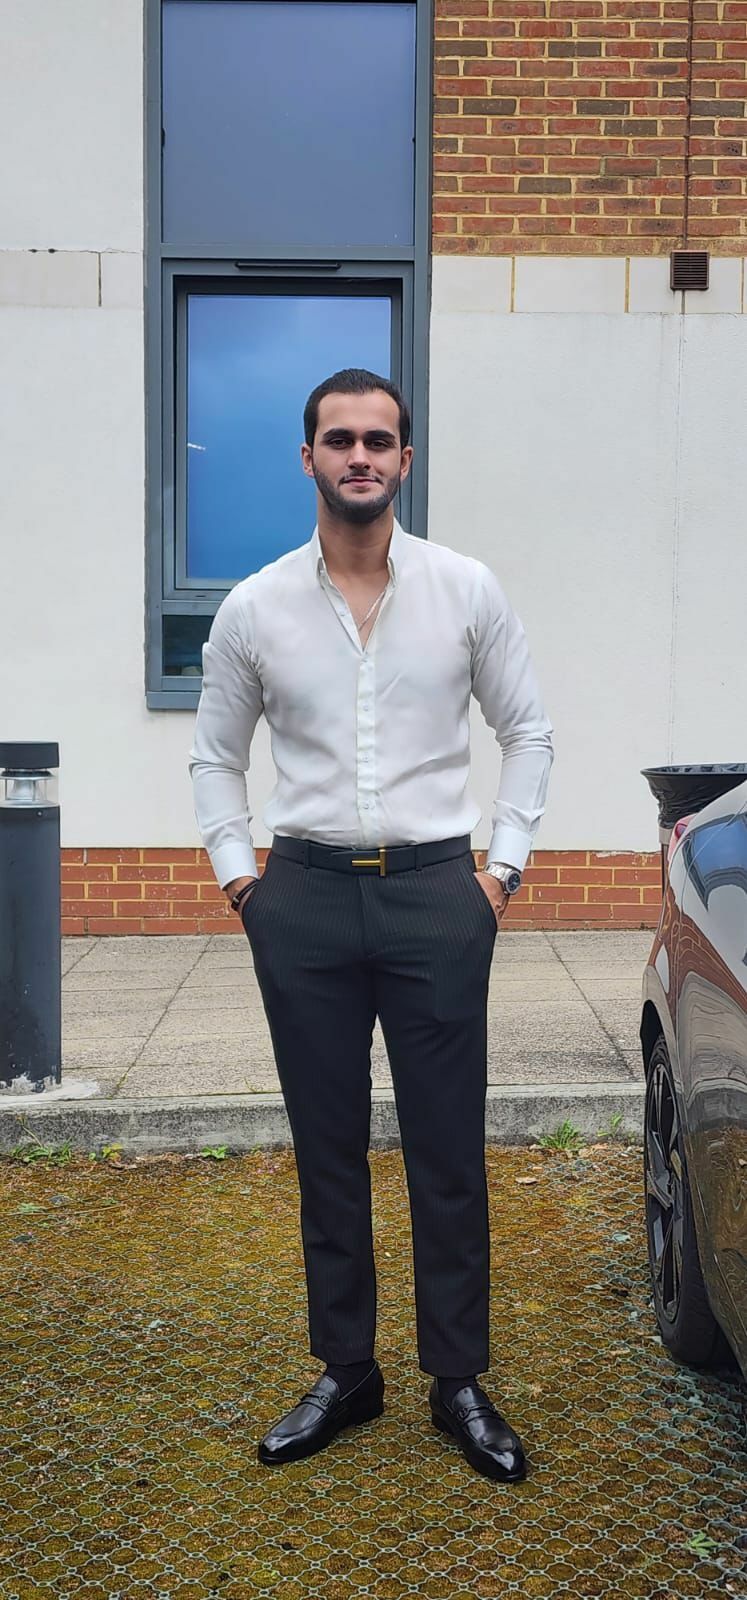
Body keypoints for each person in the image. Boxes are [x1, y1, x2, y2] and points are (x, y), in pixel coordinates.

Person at [188, 368, 553, 1483]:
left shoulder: (465, 590)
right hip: (299, 899)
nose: (360, 456)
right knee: (326, 1148)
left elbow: (528, 732)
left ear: (405, 459)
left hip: (438, 896)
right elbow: (214, 756)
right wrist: (243, 883)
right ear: (308, 457)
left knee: (447, 1150)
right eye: (339, 439)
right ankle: (347, 1370)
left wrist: (500, 872)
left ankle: (457, 1377)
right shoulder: (255, 607)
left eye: (378, 440)